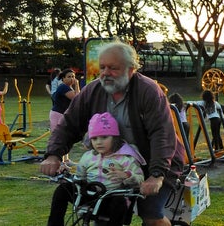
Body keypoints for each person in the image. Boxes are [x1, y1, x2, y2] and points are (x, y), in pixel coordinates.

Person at [40, 41, 186, 226]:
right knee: (98, 208)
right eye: (102, 67)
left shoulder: (148, 91)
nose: (105, 73)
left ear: (131, 69)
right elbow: (69, 124)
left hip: (157, 162)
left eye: (113, 68)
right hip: (112, 163)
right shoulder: (92, 91)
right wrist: (53, 155)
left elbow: (162, 134)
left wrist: (156, 175)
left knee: (149, 212)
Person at [47, 112, 145, 226]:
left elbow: (140, 180)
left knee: (119, 202)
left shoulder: (125, 158)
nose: (99, 142)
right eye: (94, 139)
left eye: (104, 137)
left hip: (110, 200)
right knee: (63, 189)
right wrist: (67, 176)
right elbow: (80, 178)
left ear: (115, 138)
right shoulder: (88, 157)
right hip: (88, 196)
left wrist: (127, 175)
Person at [50, 69, 80, 166]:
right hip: (57, 114)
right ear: (63, 78)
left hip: (64, 115)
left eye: (73, 76)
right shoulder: (63, 87)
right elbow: (77, 98)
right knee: (59, 138)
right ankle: (60, 161)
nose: (72, 79)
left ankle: (66, 160)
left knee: (66, 137)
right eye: (69, 77)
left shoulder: (68, 87)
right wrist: (77, 85)